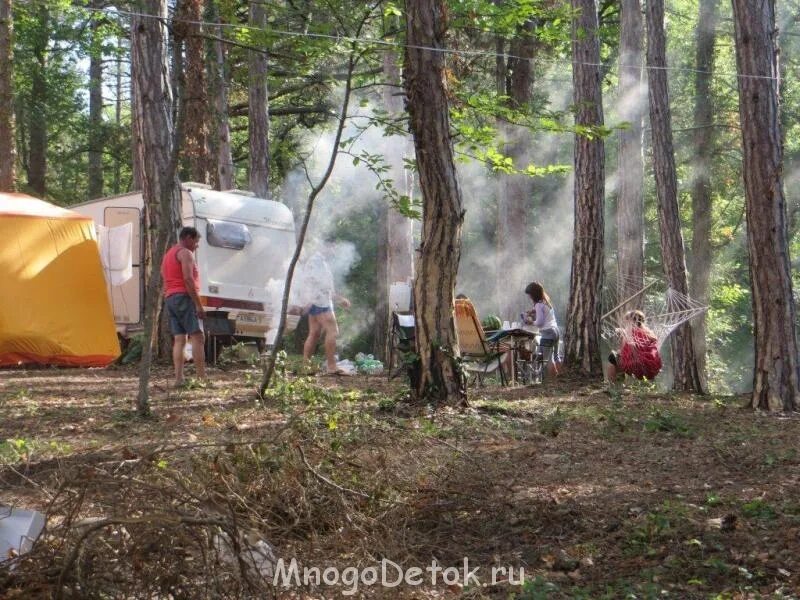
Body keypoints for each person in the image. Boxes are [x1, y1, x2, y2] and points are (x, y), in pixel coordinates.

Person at [161, 226, 206, 387]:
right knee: (197, 337)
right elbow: (188, 279)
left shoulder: (168, 255)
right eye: (196, 241)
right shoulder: (185, 253)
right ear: (188, 237)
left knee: (179, 339)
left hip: (170, 298)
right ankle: (202, 379)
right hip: (184, 297)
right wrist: (198, 305)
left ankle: (179, 379)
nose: (197, 245)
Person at [301, 243, 351, 374]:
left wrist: (338, 299)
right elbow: (319, 285)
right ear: (324, 246)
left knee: (314, 333)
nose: (334, 251)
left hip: (316, 301)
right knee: (333, 331)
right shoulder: (317, 261)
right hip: (320, 302)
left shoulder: (321, 262)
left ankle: (306, 366)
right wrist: (338, 299)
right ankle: (331, 366)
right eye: (332, 247)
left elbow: (325, 286)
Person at [607, 309, 662, 381]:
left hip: (635, 366)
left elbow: (624, 350)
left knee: (612, 358)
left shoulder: (628, 332)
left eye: (627, 320)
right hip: (651, 368)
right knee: (619, 357)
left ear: (630, 321)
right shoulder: (649, 333)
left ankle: (612, 385)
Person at [524, 281, 560, 377]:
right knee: (556, 357)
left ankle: (551, 381)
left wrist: (530, 322)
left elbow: (539, 322)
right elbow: (545, 314)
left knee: (547, 360)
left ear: (533, 294)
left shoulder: (538, 305)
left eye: (529, 295)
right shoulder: (545, 302)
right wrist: (534, 311)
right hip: (555, 331)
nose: (529, 297)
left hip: (547, 333)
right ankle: (561, 378)